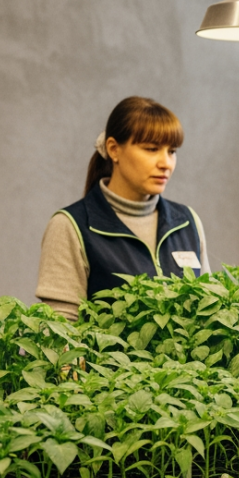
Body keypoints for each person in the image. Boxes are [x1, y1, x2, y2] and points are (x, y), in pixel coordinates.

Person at [37, 96, 211, 321]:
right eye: (151, 149)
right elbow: (60, 334)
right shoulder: (71, 226)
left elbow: (208, 315)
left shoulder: (187, 222)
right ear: (114, 149)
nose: (166, 163)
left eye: (172, 151)